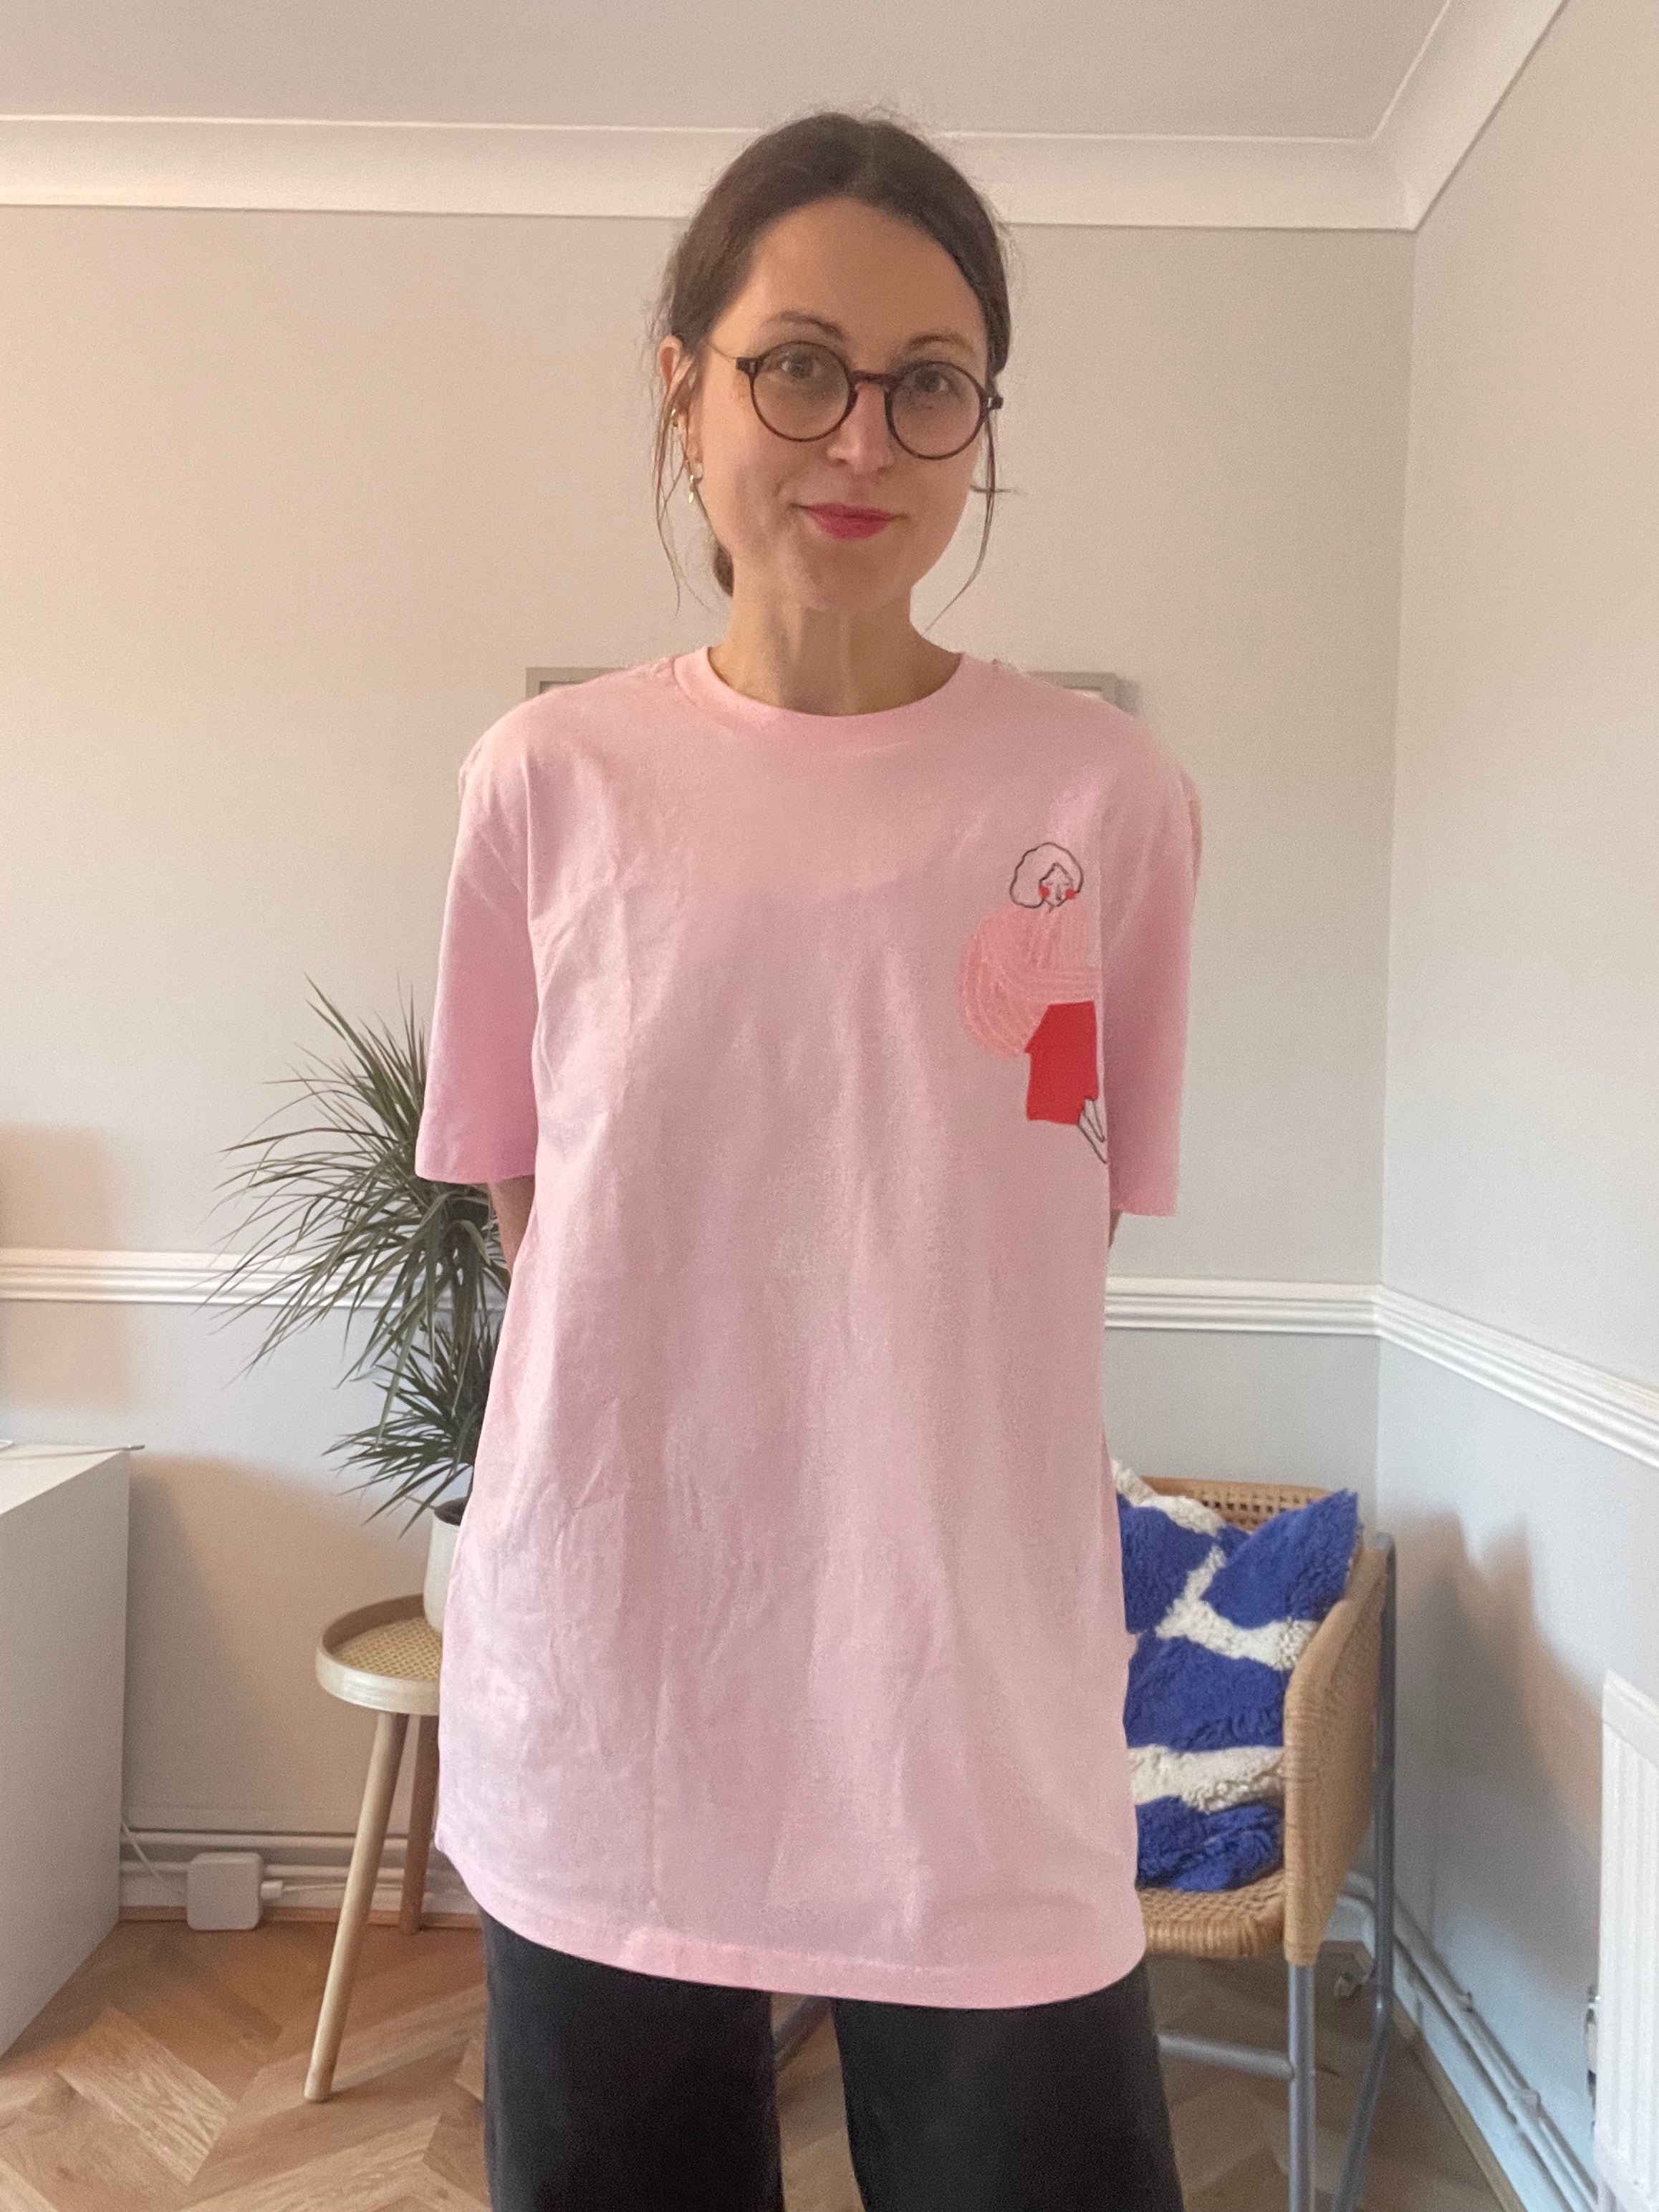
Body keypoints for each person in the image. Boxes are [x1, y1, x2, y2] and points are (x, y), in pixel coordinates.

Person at [414, 104, 1202, 2212]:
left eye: (929, 383)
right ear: (682, 385)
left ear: (980, 424)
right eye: (798, 367)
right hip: (618, 1687)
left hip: (972, 1713)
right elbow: (537, 1213)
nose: (863, 436)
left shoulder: (1104, 802)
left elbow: (1044, 1214)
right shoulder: (545, 784)